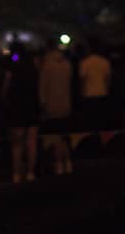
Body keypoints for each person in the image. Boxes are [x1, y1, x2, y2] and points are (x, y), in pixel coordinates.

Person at [2, 44, 39, 183]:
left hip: (16, 107)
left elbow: (5, 88)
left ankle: (16, 173)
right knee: (31, 141)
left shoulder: (12, 69)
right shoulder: (33, 68)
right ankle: (30, 172)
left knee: (17, 143)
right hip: (32, 105)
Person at [39, 38, 73, 175]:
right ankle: (68, 162)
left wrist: (43, 105)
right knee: (65, 136)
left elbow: (42, 88)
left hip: (51, 106)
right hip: (66, 104)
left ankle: (58, 163)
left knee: (55, 137)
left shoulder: (47, 65)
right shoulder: (67, 64)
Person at [78, 40, 111, 130]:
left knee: (90, 121)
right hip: (102, 93)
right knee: (100, 120)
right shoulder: (105, 62)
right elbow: (108, 80)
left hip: (89, 94)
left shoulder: (85, 62)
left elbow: (82, 80)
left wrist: (81, 93)